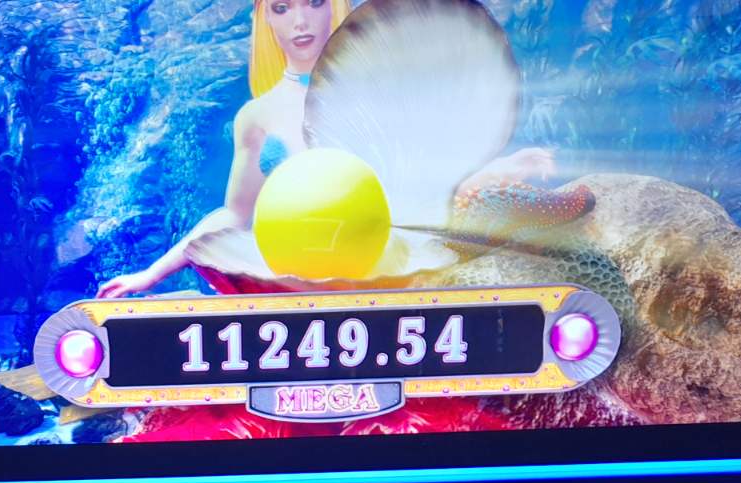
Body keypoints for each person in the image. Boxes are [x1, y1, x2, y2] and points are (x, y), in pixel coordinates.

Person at [96, 0, 554, 299]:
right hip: (295, 288)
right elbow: (234, 216)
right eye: (282, 8)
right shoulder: (257, 116)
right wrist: (150, 274)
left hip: (392, 277)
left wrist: (500, 168)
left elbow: (427, 181)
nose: (300, 21)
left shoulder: (387, 92)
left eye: (314, 2)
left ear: (332, 7)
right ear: (265, 18)